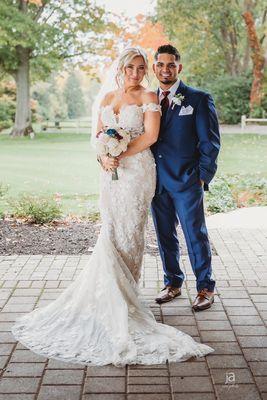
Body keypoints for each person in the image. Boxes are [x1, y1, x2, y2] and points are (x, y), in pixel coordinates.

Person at [12, 47, 214, 366]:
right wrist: (104, 155)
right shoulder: (106, 99)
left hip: (141, 174)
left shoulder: (153, 96)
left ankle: (175, 291)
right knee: (115, 232)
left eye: (141, 67)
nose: (136, 72)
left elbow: (150, 136)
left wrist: (120, 152)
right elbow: (97, 137)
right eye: (130, 67)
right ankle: (130, 292)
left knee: (137, 235)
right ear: (120, 68)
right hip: (112, 176)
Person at [151, 45, 220, 310]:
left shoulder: (198, 99)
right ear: (155, 67)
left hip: (187, 181)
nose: (165, 69)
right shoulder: (149, 99)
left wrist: (202, 177)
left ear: (179, 67)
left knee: (195, 234)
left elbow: (210, 143)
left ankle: (205, 287)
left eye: (171, 65)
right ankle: (173, 283)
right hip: (156, 183)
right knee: (164, 235)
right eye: (160, 64)